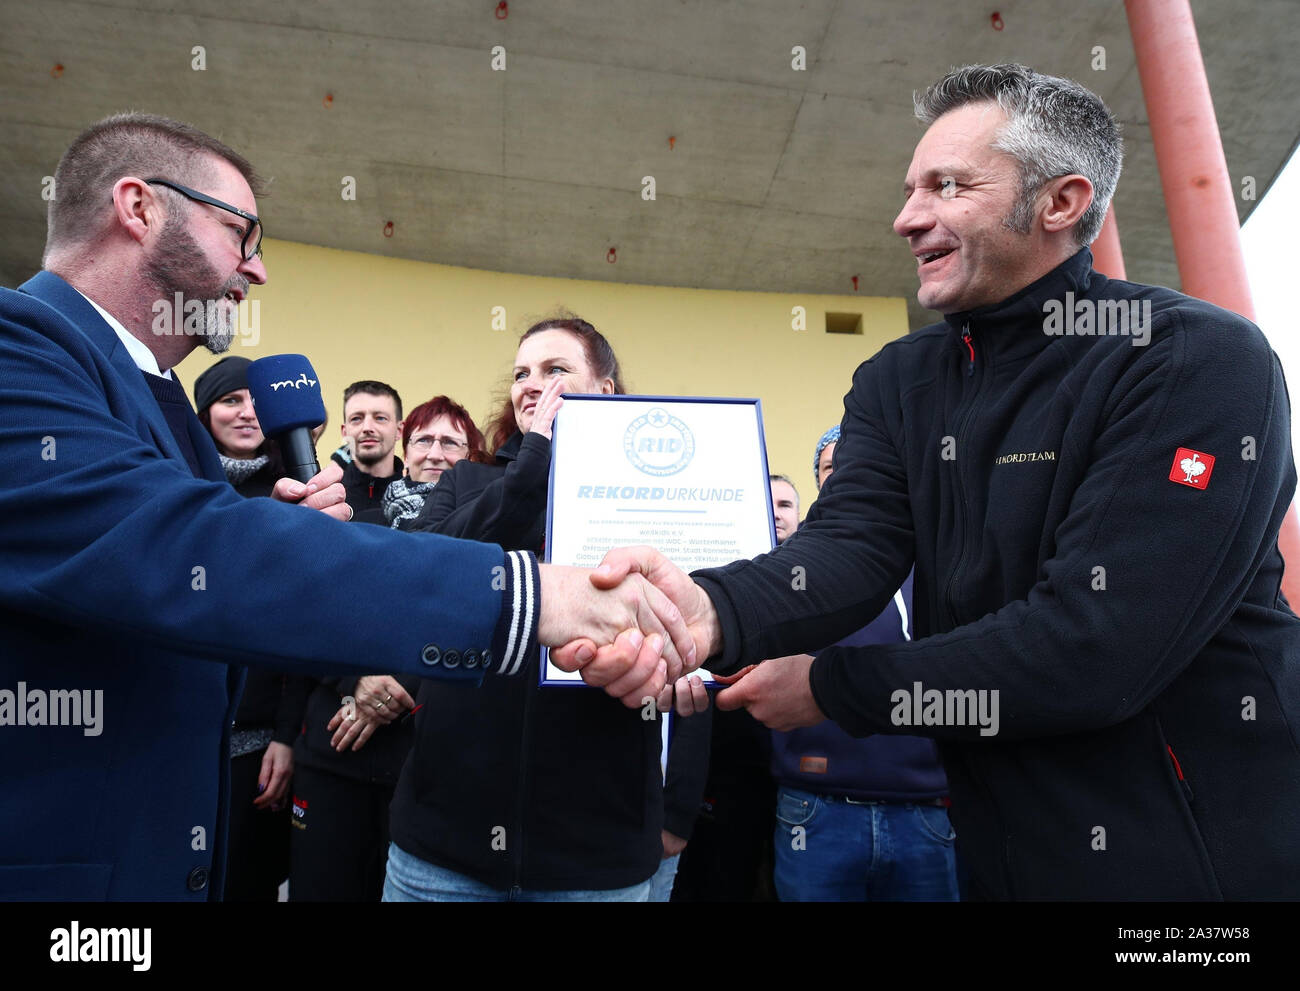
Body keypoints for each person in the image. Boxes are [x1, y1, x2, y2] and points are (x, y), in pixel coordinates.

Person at [588, 64, 1300, 900]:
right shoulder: (901, 379)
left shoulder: (1192, 357)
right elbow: (845, 551)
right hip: (1001, 856)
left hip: (1204, 866)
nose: (905, 217)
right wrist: (700, 612)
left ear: (1060, 202)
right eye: (909, 188)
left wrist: (829, 687)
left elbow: (1094, 648)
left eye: (947, 185)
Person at [0, 112, 692, 901]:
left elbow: (184, 583)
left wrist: (278, 540)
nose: (255, 271)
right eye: (241, 234)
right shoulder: (16, 347)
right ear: (140, 207)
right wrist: (536, 597)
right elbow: (178, 550)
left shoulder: (152, 396)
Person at [369, 316, 710, 902]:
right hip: (442, 849)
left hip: (595, 856)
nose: (532, 383)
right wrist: (530, 469)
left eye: (556, 370)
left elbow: (694, 632)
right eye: (522, 372)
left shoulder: (655, 494)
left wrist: (678, 808)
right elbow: (423, 568)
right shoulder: (469, 482)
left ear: (604, 389)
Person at [287, 395, 489, 901]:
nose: (435, 452)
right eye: (424, 439)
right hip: (335, 753)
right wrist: (354, 680)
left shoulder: (489, 543)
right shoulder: (357, 519)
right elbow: (307, 619)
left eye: (451, 442)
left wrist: (406, 683)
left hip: (422, 765)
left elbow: (480, 630)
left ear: (473, 456)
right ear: (406, 445)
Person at [769, 425, 958, 902]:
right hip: (814, 810)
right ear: (819, 481)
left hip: (926, 813)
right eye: (831, 466)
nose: (844, 475)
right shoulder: (783, 569)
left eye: (858, 464)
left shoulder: (942, 567)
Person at [192, 356, 303, 901]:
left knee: (247, 883)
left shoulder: (296, 495)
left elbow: (305, 631)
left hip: (259, 744)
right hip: (184, 733)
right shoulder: (179, 487)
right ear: (204, 413)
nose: (246, 413)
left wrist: (283, 736)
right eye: (230, 400)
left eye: (256, 401)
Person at [385, 395, 488, 530]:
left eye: (450, 442)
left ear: (470, 457)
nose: (435, 455)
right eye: (423, 440)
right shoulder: (368, 524)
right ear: (406, 456)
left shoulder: (486, 520)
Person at [339, 380, 405, 523]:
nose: (367, 427)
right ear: (345, 432)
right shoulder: (328, 495)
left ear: (399, 430)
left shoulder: (420, 495)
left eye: (380, 418)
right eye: (356, 418)